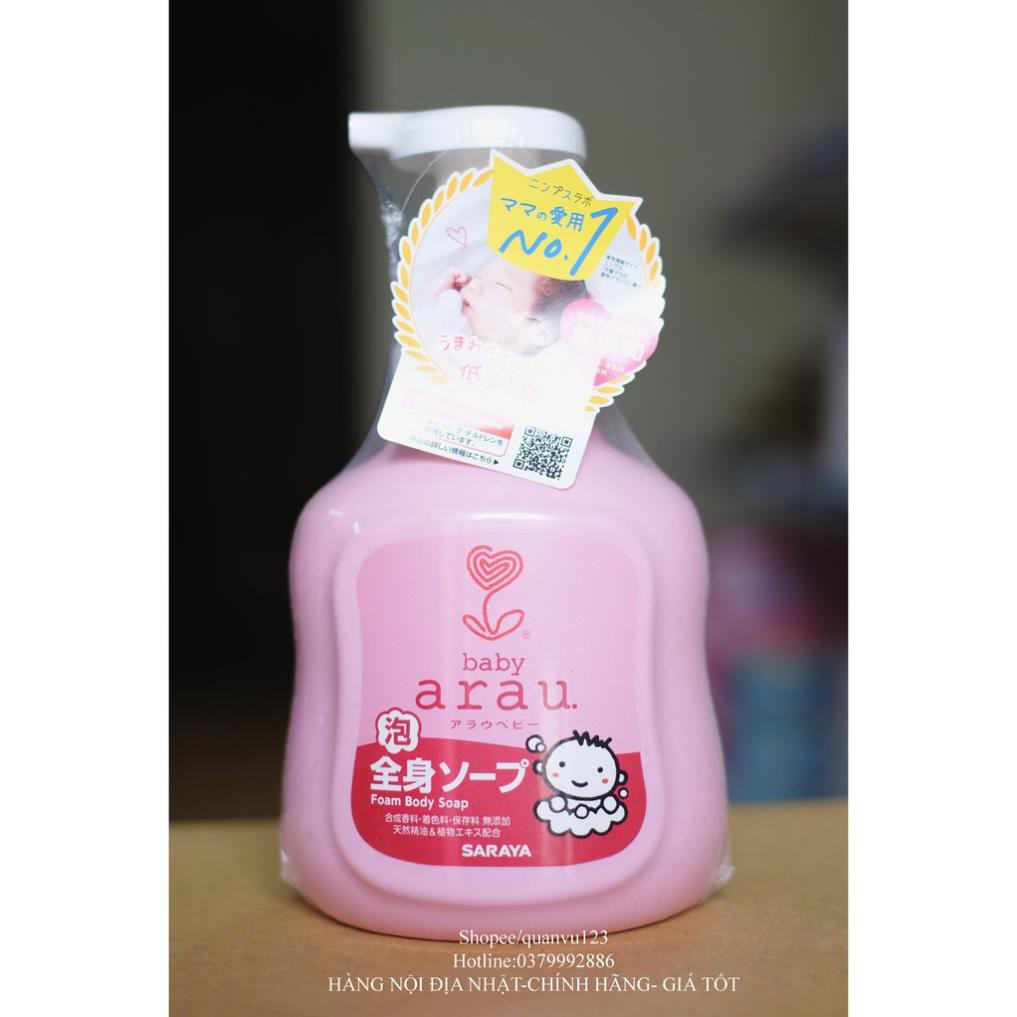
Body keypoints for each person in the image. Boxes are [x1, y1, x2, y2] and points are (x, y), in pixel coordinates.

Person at [432, 256, 586, 357]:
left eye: (501, 285)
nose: (473, 285)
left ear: (540, 332)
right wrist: (433, 297)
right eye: (479, 274)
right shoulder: (445, 332)